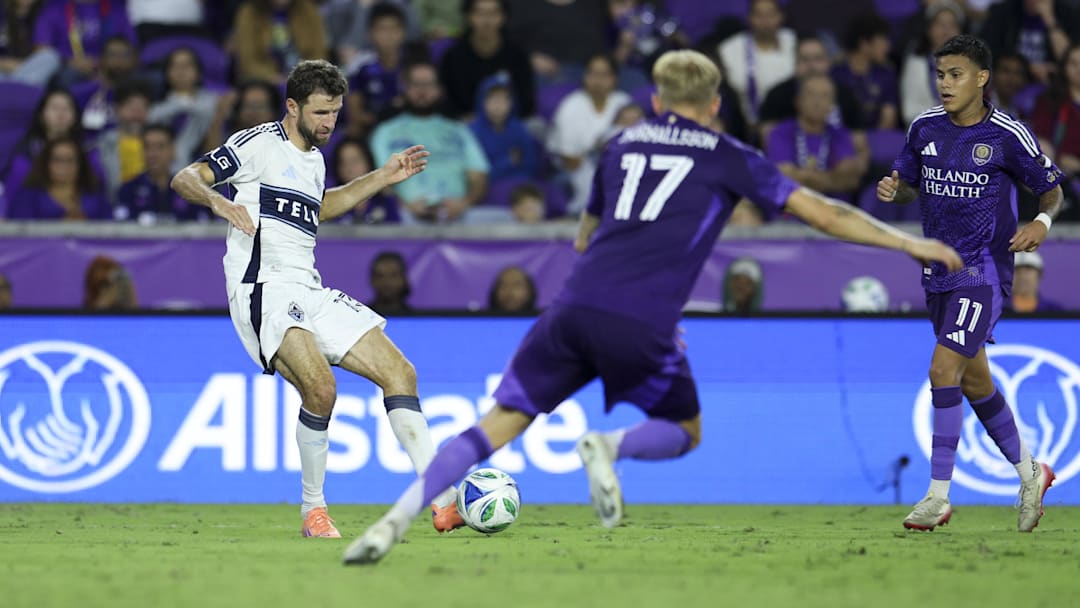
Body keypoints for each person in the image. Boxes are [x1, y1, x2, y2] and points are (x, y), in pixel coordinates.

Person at [344, 49, 962, 565]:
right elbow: (823, 213)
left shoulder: (620, 145)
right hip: (641, 322)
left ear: (659, 100)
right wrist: (905, 241)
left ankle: (394, 522)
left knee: (498, 423)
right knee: (685, 430)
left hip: (571, 308)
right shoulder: (728, 155)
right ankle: (609, 448)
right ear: (716, 103)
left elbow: (586, 235)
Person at [171, 59, 456, 539]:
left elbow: (319, 208)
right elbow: (185, 177)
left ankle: (443, 500)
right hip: (262, 287)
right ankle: (313, 511)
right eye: (321, 113)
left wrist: (382, 177)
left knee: (400, 373)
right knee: (321, 390)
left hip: (307, 287)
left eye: (336, 114)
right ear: (292, 106)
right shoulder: (258, 143)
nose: (329, 123)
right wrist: (221, 202)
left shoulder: (314, 159)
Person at [875, 35, 1064, 532]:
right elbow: (910, 184)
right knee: (975, 381)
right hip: (938, 273)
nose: (945, 84)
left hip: (984, 272)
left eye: (956, 75)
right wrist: (895, 192)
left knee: (943, 370)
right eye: (940, 75)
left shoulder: (1007, 134)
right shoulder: (923, 128)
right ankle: (1031, 473)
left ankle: (938, 496)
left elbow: (1053, 192)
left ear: (982, 78)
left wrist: (1039, 225)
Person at [369, 60, 489, 223]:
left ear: (439, 89)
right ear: (406, 88)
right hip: (406, 216)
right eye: (416, 84)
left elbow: (478, 176)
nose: (422, 91)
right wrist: (404, 206)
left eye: (428, 84)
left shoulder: (458, 130)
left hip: (459, 214)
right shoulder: (385, 132)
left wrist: (463, 204)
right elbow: (378, 180)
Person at [765, 75, 862, 201]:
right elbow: (781, 175)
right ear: (798, 101)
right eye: (811, 95)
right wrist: (829, 179)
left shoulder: (840, 135)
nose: (817, 102)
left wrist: (802, 176)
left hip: (833, 211)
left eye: (825, 96)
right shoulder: (780, 132)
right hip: (790, 211)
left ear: (832, 105)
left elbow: (848, 179)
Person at [439, 0, 536, 119]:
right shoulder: (453, 57)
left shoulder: (517, 56)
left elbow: (526, 102)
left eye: (493, 13)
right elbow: (447, 101)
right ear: (468, 16)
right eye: (480, 13)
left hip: (507, 124)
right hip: (464, 124)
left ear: (503, 17)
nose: (487, 20)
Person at [717, 0, 796, 127]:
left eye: (770, 14)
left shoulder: (794, 42)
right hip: (747, 126)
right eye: (759, 15)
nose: (765, 21)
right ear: (749, 17)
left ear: (781, 16)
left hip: (790, 122)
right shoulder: (729, 49)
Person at [115, 124, 209, 223]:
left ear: (172, 151)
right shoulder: (128, 190)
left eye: (160, 147)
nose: (153, 154)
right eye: (147, 147)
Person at [7, 136, 109, 220]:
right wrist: (60, 228)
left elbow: (112, 231)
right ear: (46, 164)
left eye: (70, 160)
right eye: (57, 160)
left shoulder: (95, 195)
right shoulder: (27, 197)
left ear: (80, 165)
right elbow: (19, 235)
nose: (63, 165)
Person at [831, 13, 899, 131]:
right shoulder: (836, 73)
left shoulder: (886, 74)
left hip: (876, 140)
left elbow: (888, 117)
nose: (888, 47)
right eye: (882, 41)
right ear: (864, 44)